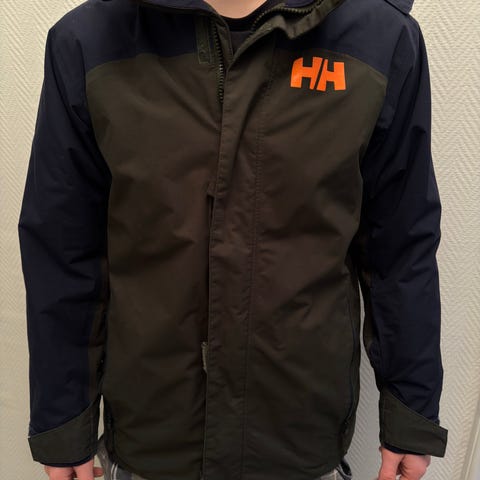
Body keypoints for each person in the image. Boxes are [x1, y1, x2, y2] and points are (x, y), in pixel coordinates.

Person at [17, 0, 449, 479]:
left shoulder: (379, 38)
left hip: (299, 440)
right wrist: (64, 424)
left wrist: (410, 411)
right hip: (153, 440)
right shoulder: (90, 40)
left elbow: (401, 243)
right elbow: (63, 249)